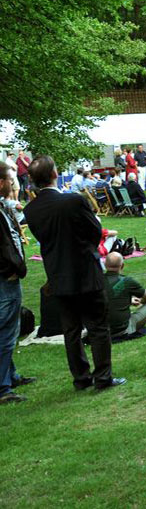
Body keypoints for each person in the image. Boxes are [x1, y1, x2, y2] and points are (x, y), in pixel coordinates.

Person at [23, 157, 126, 390]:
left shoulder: (32, 210)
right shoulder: (73, 201)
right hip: (84, 270)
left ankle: (81, 378)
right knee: (98, 327)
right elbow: (95, 231)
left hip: (58, 274)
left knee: (71, 330)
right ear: (54, 174)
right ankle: (103, 378)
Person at [0, 162, 33, 404]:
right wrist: (12, 269)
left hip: (8, 277)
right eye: (10, 181)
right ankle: (3, 387)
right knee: (5, 333)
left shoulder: (3, 206)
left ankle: (10, 376)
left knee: (9, 330)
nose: (13, 185)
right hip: (5, 279)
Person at [103, 252, 146, 341]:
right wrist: (141, 301)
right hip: (122, 329)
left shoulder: (96, 282)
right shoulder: (126, 281)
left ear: (105, 264)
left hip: (100, 329)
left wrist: (129, 300)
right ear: (122, 266)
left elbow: (110, 296)